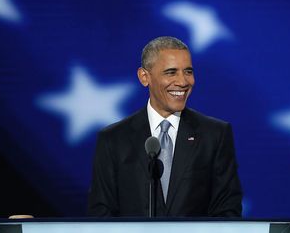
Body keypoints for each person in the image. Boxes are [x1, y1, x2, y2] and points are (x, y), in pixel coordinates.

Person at [88, 36, 242, 217]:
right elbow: (101, 215)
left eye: (188, 71)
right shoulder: (113, 139)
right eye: (171, 72)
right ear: (144, 77)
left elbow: (227, 211)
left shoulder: (215, 135)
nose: (183, 82)